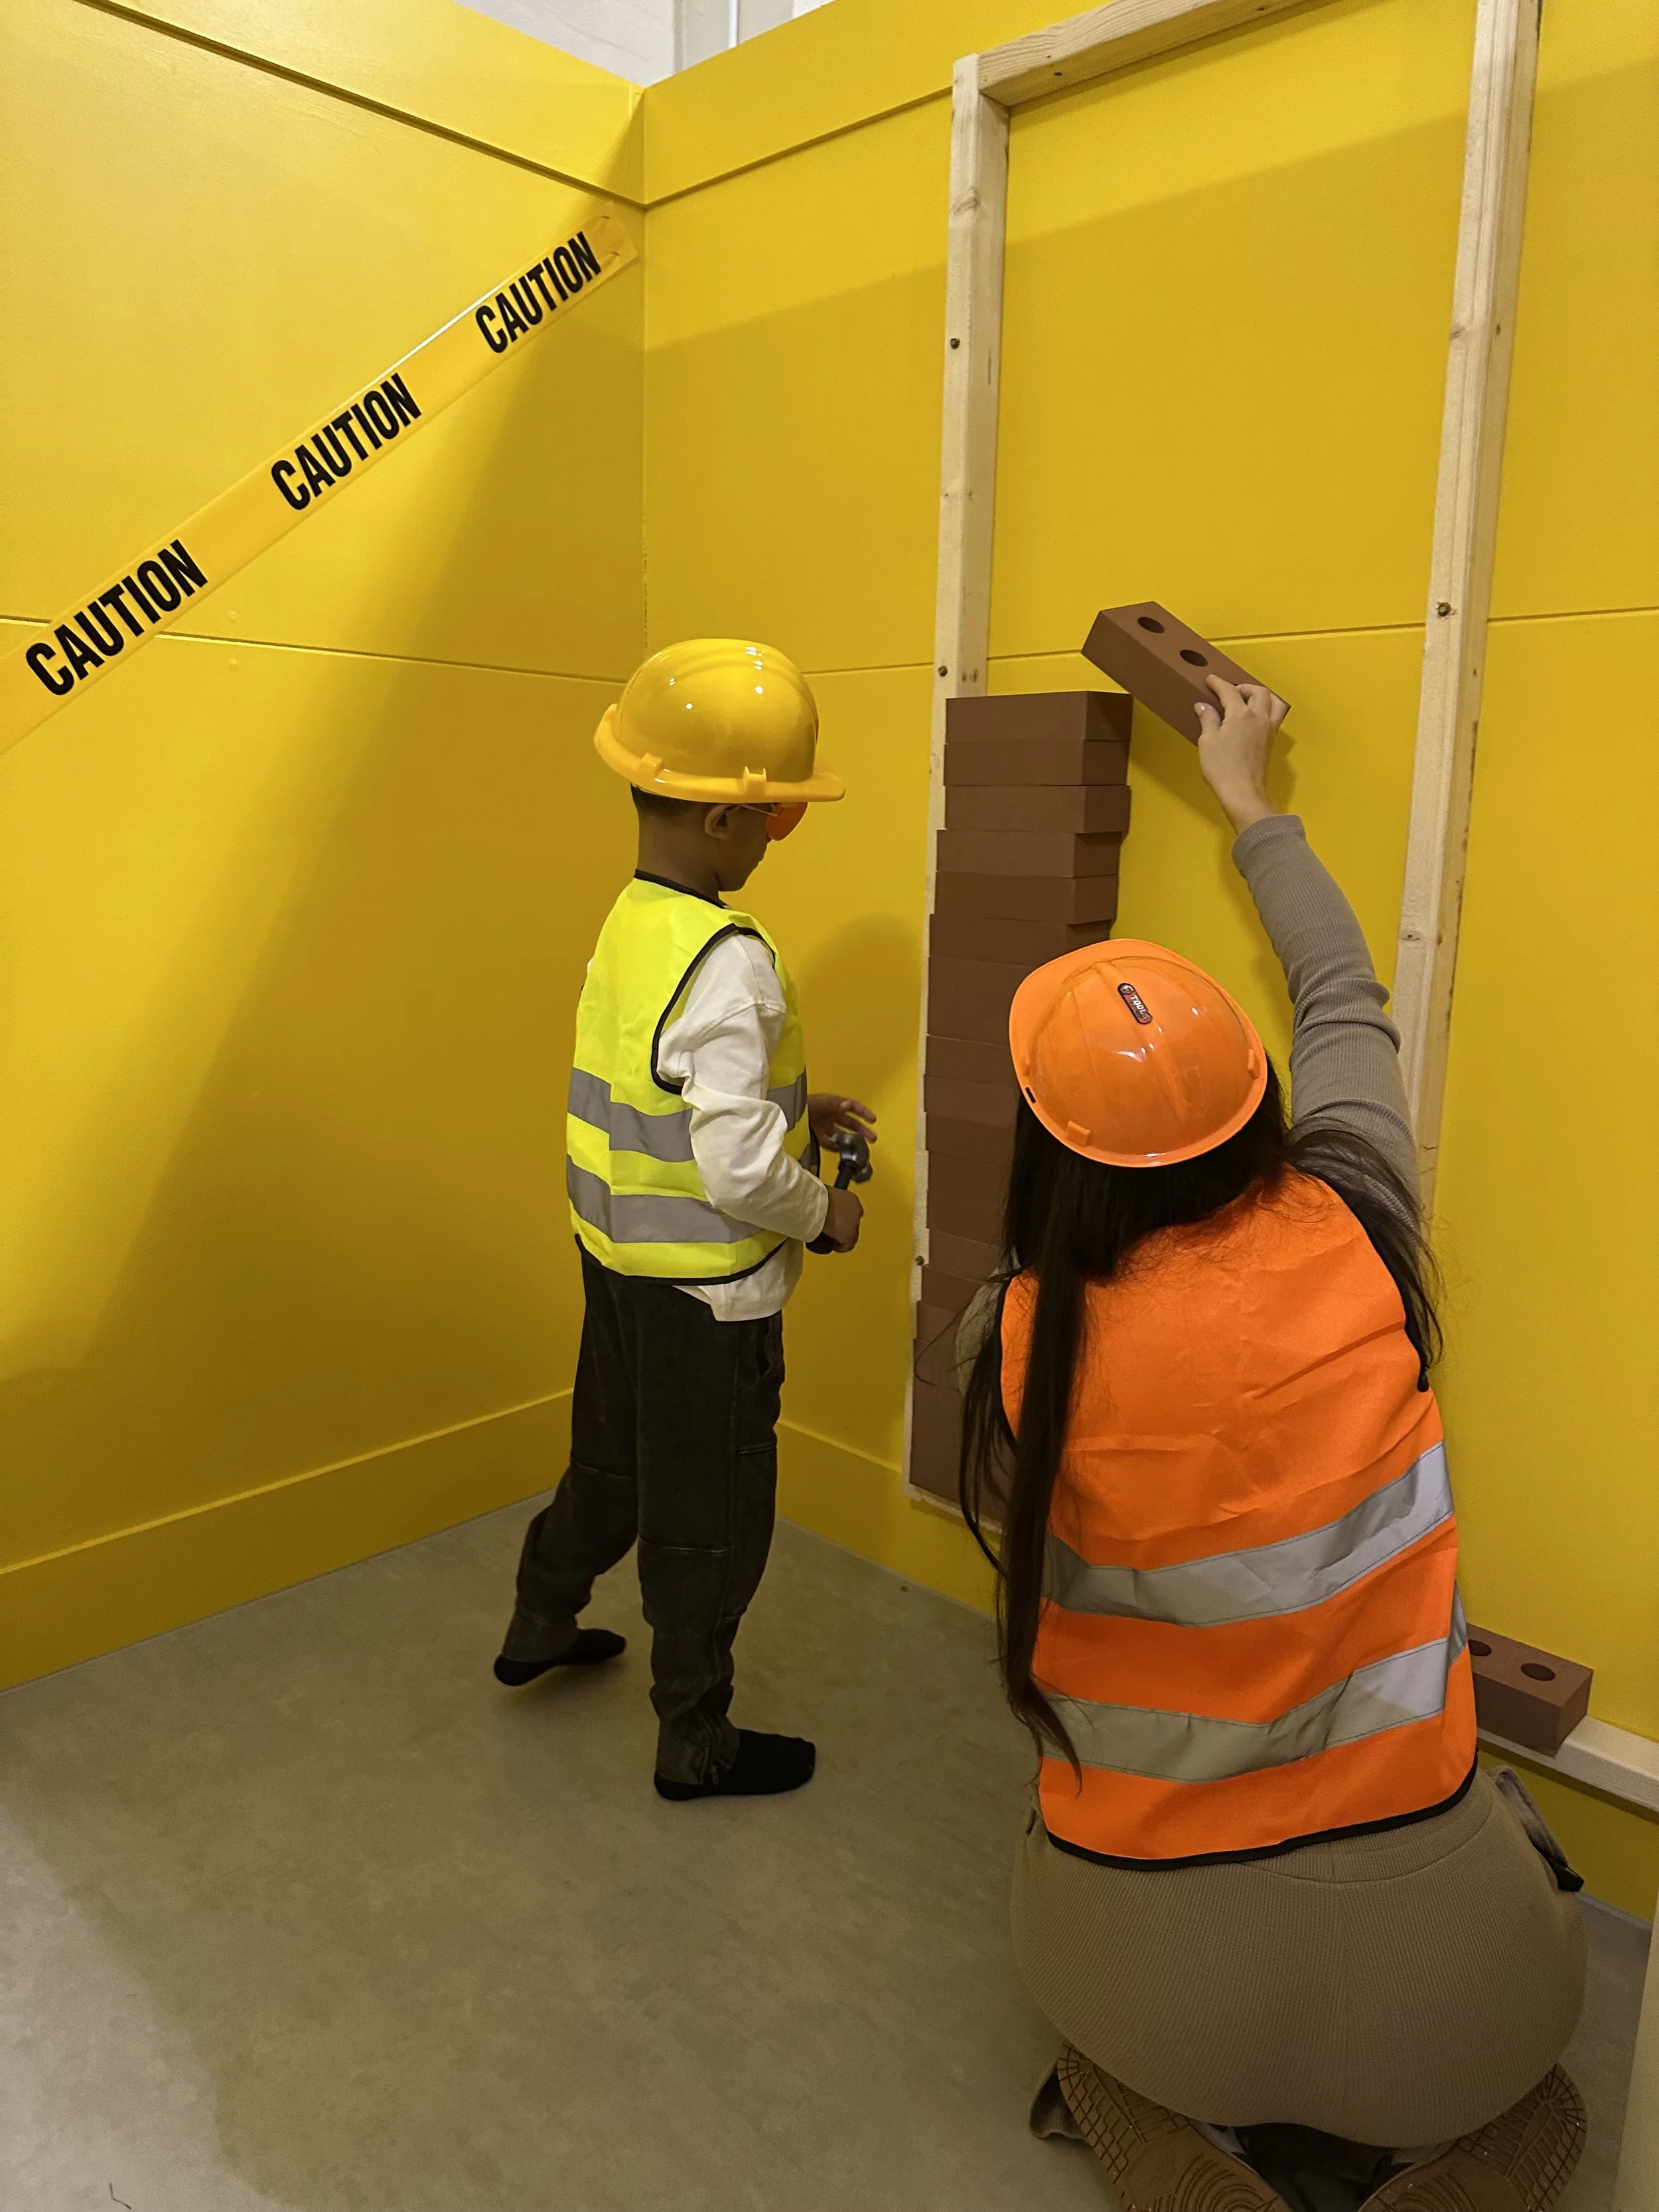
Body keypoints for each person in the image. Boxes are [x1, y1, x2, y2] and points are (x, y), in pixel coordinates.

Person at [957, 678, 1587, 2210]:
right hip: (1441, 1984)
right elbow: (1341, 995)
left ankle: (1171, 2151)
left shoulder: (1018, 1337)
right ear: (1256, 1106)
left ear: (1043, 1149)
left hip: (1146, 1954)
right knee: (1545, 2087)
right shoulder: (1361, 1218)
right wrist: (1250, 800)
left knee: (1093, 2018)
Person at [494, 638, 875, 1803]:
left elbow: (664, 1085)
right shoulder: (734, 963)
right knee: (707, 1525)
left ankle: (539, 1624)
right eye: (780, 819)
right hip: (711, 1302)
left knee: (608, 1468)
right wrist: (829, 1216)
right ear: (725, 823)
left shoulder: (636, 921)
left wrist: (795, 1102)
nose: (777, 837)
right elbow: (741, 1171)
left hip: (616, 1268)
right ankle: (694, 1741)